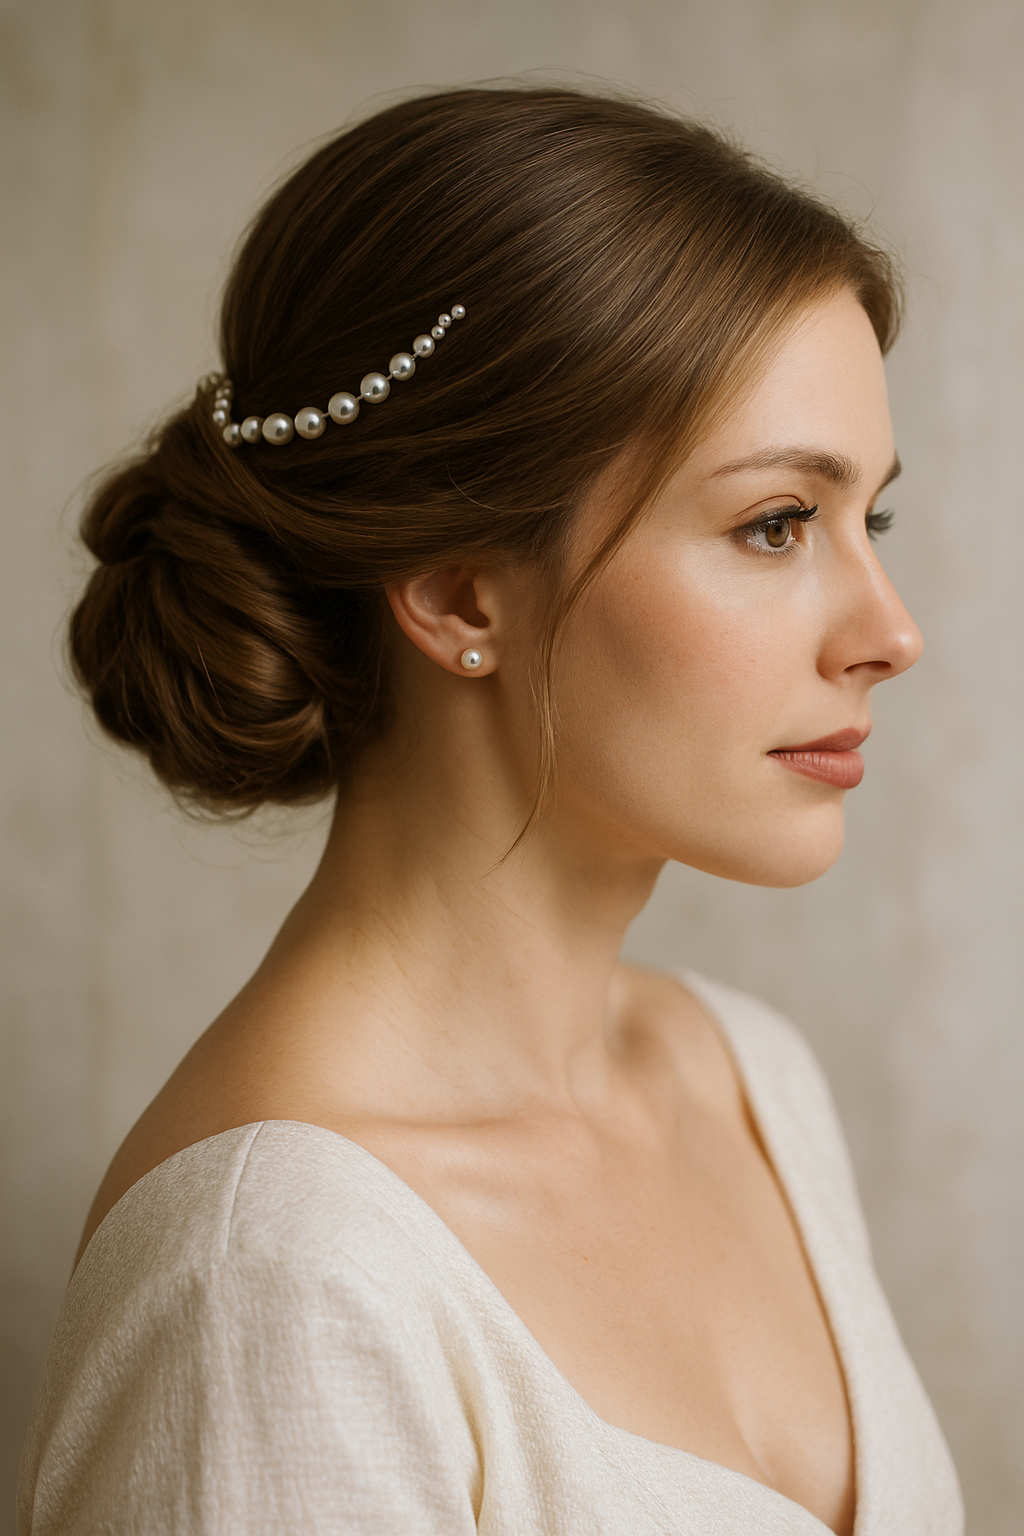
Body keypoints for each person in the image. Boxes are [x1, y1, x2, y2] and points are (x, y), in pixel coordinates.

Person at [18, 87, 962, 1536]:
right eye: (776, 523)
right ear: (462, 592)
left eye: (867, 520)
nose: (889, 630)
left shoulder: (747, 1081)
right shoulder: (273, 1281)